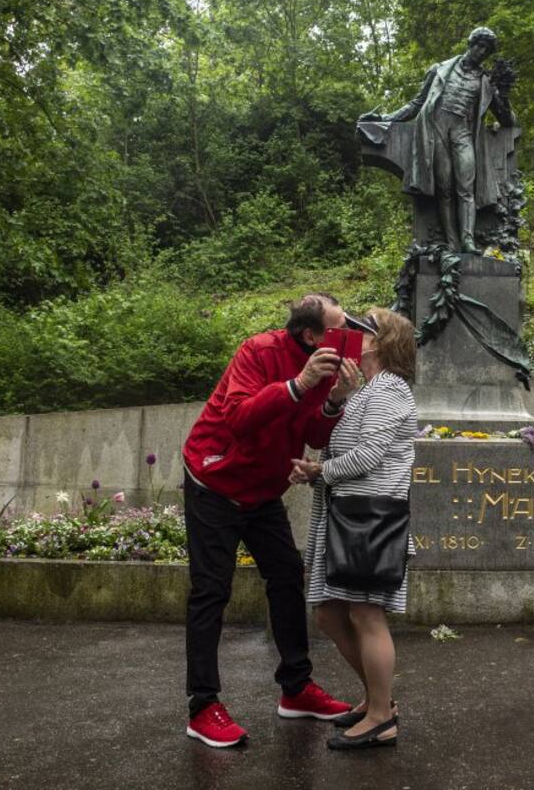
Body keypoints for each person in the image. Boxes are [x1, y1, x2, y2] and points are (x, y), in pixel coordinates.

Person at [180, 292, 365, 748]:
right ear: (311, 335)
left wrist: (334, 401)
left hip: (263, 490)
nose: (348, 336)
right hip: (215, 480)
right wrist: (299, 385)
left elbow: (314, 435)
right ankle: (202, 706)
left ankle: (296, 688)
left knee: (285, 577)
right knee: (211, 590)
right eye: (339, 328)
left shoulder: (326, 367)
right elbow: (239, 418)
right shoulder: (258, 351)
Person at [289, 308, 419, 750]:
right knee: (328, 613)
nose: (348, 334)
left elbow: (368, 456)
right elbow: (336, 444)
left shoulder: (390, 389)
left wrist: (319, 471)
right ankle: (378, 700)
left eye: (361, 330)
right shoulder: (365, 391)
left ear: (381, 342)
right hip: (347, 514)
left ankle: (382, 717)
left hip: (369, 519)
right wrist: (335, 403)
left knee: (365, 614)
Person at [358, 26, 515, 253]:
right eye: (480, 46)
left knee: (466, 187)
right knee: (444, 188)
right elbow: (417, 104)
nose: (482, 52)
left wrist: (504, 95)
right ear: (471, 43)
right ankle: (452, 241)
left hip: (462, 133)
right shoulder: (440, 69)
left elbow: (507, 120)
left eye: (487, 50)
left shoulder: (485, 81)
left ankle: (468, 240)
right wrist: (385, 118)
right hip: (437, 131)